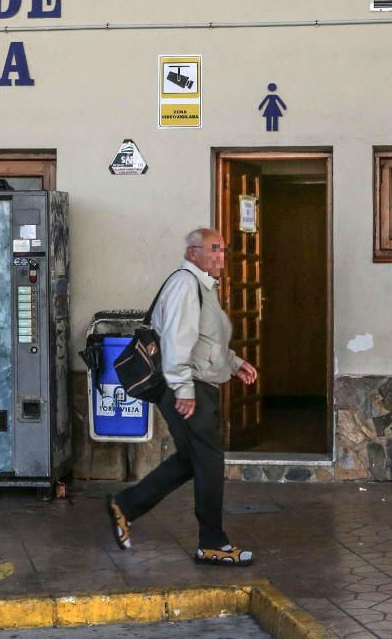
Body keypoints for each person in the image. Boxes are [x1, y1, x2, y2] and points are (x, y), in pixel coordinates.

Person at [107, 228, 259, 566]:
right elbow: (177, 341)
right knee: (208, 460)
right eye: (214, 249)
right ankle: (212, 542)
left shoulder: (203, 286)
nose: (222, 256)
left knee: (193, 459)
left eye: (223, 249)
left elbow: (205, 340)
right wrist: (185, 390)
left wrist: (234, 363)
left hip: (194, 383)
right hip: (188, 386)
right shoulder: (185, 285)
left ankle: (126, 506)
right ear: (193, 253)